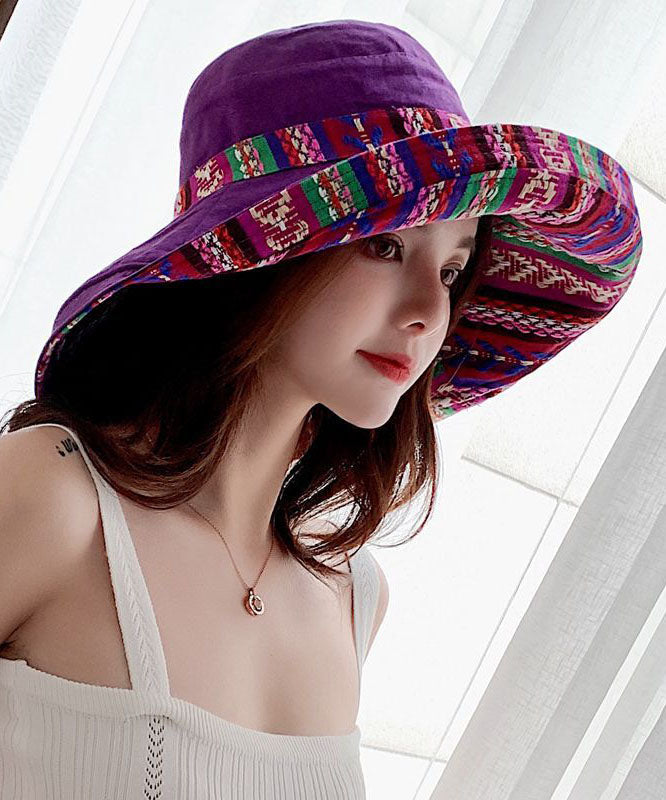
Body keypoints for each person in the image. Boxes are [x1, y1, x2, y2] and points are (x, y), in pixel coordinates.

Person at [0, 18, 642, 800]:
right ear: (261, 256)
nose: (426, 312)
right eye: (386, 247)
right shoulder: (53, 499)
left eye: (451, 271)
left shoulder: (354, 596)